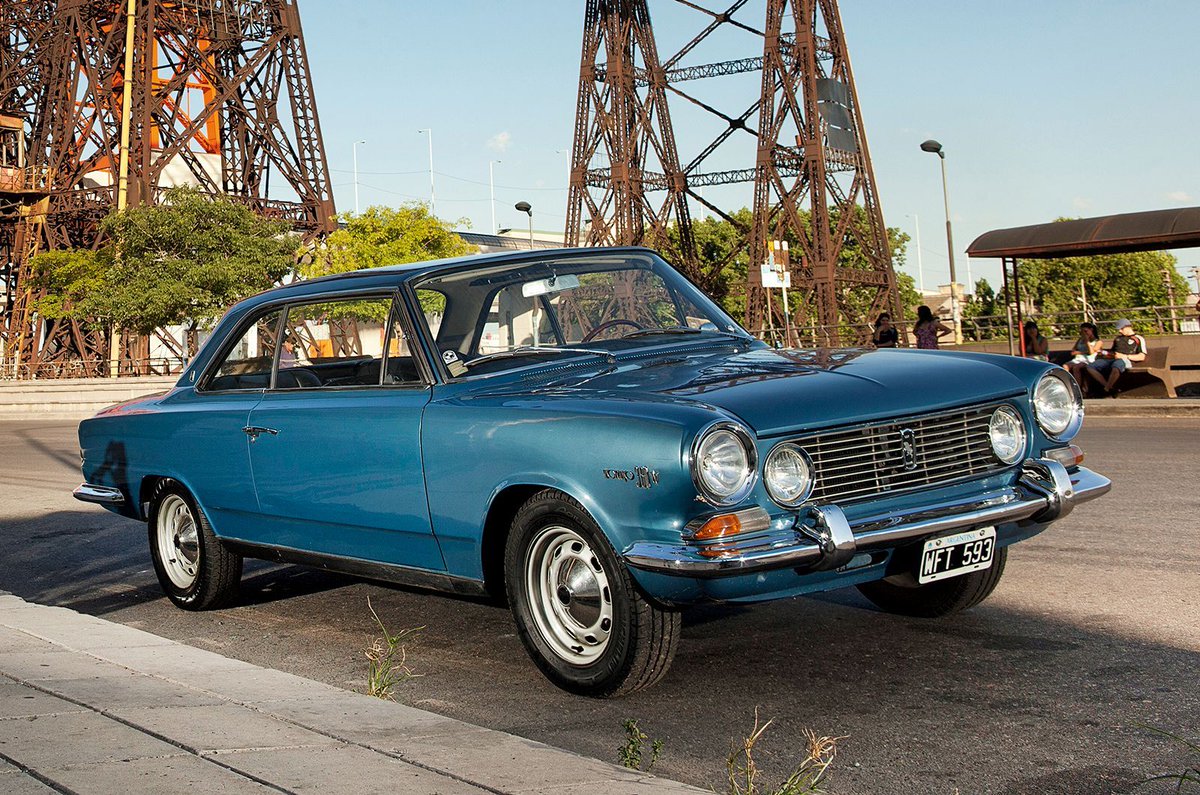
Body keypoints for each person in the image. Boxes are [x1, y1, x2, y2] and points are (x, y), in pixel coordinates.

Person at [1085, 319, 1147, 395]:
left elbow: (1142, 356)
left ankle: (1106, 389)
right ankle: (1109, 387)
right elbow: (1112, 352)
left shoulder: (1138, 339)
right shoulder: (1118, 339)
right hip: (1112, 359)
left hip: (1124, 360)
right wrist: (1103, 353)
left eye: (1121, 329)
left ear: (1127, 327)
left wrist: (1125, 356)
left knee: (1117, 365)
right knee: (1090, 366)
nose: (1120, 331)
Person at [1065, 322, 1103, 390]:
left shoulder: (1098, 342)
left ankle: (1077, 388)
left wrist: (1087, 342)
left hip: (1088, 360)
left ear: (1091, 330)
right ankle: (1067, 384)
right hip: (1078, 359)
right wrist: (1083, 352)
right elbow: (1073, 352)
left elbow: (1091, 352)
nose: (1084, 333)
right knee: (1065, 366)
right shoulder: (1080, 340)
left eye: (1086, 331)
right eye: (1082, 331)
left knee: (1076, 368)